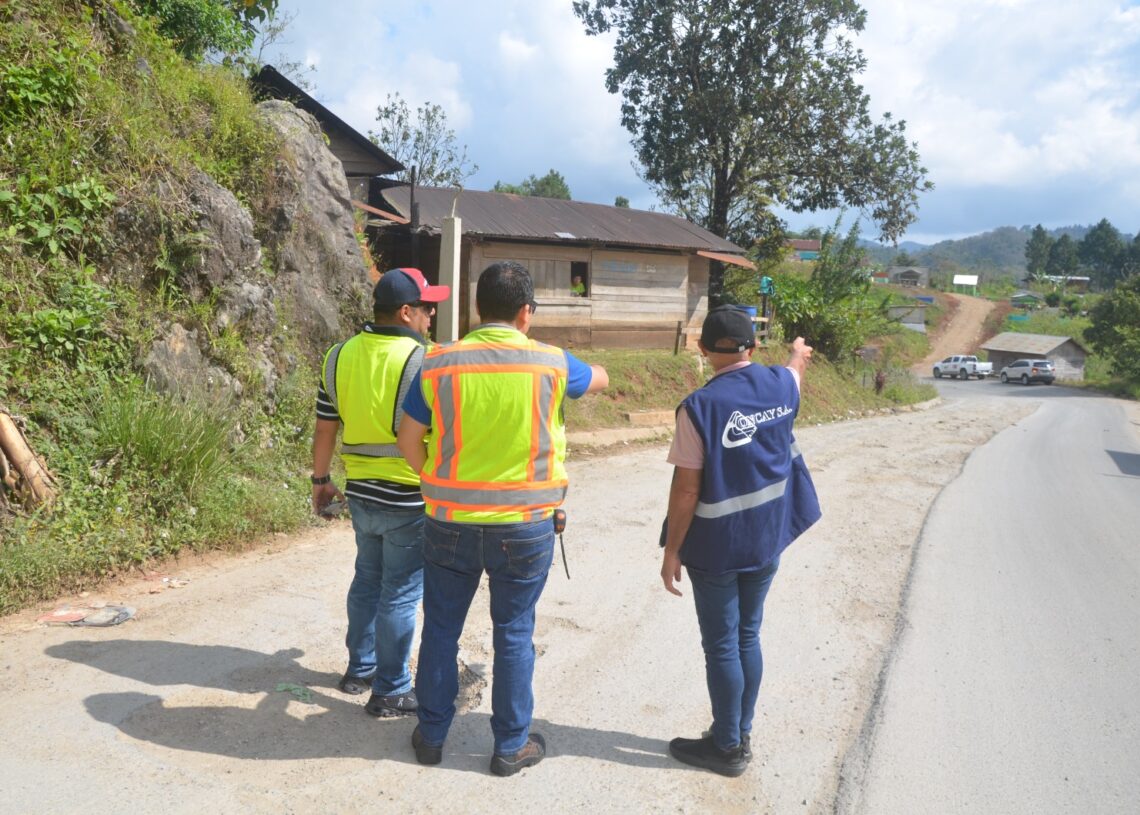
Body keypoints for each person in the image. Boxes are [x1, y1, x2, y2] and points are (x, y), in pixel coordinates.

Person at [397, 261, 608, 775]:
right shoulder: (553, 363)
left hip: (449, 521)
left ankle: (431, 735)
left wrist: (434, 480)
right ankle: (510, 746)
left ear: (476, 308)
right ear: (526, 312)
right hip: (526, 525)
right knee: (513, 631)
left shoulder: (438, 362)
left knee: (441, 628)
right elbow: (600, 378)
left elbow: (407, 437)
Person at [660, 304, 821, 777]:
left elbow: (686, 490)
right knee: (747, 635)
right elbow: (794, 372)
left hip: (717, 548)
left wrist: (672, 550)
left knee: (722, 646)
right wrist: (797, 353)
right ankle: (739, 731)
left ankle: (727, 747)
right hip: (766, 540)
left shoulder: (700, 408)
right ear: (753, 345)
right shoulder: (780, 384)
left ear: (703, 349)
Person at [311, 267, 450, 718]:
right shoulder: (426, 360)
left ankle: (360, 669)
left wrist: (320, 481)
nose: (431, 315)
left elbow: (325, 428)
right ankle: (391, 688)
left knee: (367, 580)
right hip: (409, 495)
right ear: (406, 312)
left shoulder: (338, 356)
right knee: (400, 593)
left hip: (361, 494)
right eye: (427, 307)